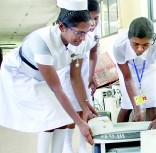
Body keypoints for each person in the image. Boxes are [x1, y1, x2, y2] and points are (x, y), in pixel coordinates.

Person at [0, 1, 95, 153]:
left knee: (62, 117)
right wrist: (80, 123)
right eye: (78, 32)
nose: (83, 38)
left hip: (40, 76)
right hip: (19, 75)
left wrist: (85, 106)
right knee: (49, 118)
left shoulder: (81, 42)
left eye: (86, 32)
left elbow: (75, 77)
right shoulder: (42, 42)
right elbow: (57, 89)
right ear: (62, 27)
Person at [113, 17, 156, 129]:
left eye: (145, 45)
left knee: (151, 104)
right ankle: (119, 139)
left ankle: (151, 137)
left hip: (149, 69)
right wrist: (137, 109)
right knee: (127, 105)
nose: (140, 49)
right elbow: (128, 79)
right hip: (129, 69)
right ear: (129, 38)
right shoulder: (119, 45)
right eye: (135, 44)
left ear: (151, 40)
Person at [60, 0, 100, 152]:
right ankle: (67, 143)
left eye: (97, 18)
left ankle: (84, 144)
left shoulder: (95, 31)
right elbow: (73, 74)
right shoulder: (75, 32)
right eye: (91, 18)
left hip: (82, 68)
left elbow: (94, 52)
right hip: (68, 69)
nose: (94, 23)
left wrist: (91, 75)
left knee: (85, 108)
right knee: (71, 106)